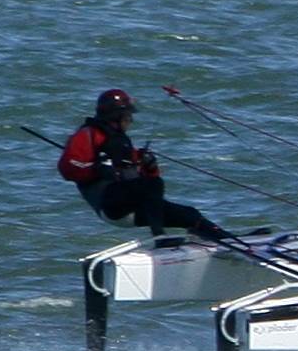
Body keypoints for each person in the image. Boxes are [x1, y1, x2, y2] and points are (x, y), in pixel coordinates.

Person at [56, 89, 232, 245]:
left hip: (133, 205)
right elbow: (67, 168)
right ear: (116, 116)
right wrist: (96, 170)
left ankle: (226, 240)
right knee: (153, 184)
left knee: (190, 214)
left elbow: (146, 179)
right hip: (109, 204)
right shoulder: (88, 135)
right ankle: (159, 237)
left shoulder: (122, 142)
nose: (131, 120)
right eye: (128, 116)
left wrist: (150, 165)